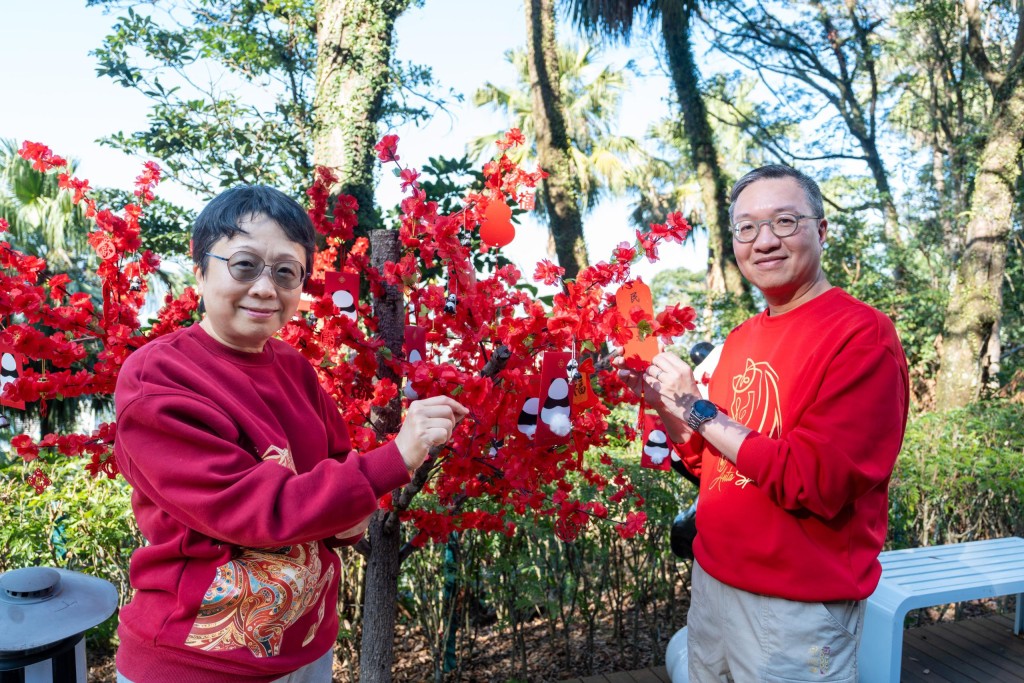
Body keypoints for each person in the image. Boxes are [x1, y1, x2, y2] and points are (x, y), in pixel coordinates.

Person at [113, 185, 467, 683]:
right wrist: (395, 458)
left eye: (285, 272)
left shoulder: (294, 369)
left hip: (304, 647)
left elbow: (338, 470)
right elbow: (253, 509)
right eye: (244, 266)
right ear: (200, 271)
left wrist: (348, 514)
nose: (265, 288)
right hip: (196, 663)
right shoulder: (159, 379)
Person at [616, 165, 909, 682]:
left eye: (785, 221)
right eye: (747, 228)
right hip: (713, 583)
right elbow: (708, 458)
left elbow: (814, 480)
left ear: (821, 231)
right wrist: (665, 405)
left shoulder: (862, 336)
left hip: (795, 608)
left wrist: (695, 408)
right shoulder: (742, 337)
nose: (765, 241)